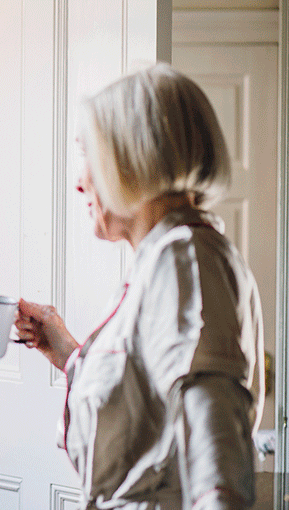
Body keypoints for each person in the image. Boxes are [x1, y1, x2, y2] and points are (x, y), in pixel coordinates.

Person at [15, 63, 264, 509]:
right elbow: (147, 409)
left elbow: (215, 450)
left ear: (133, 159)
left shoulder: (184, 259)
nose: (80, 182)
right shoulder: (165, 258)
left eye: (89, 156)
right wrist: (68, 353)